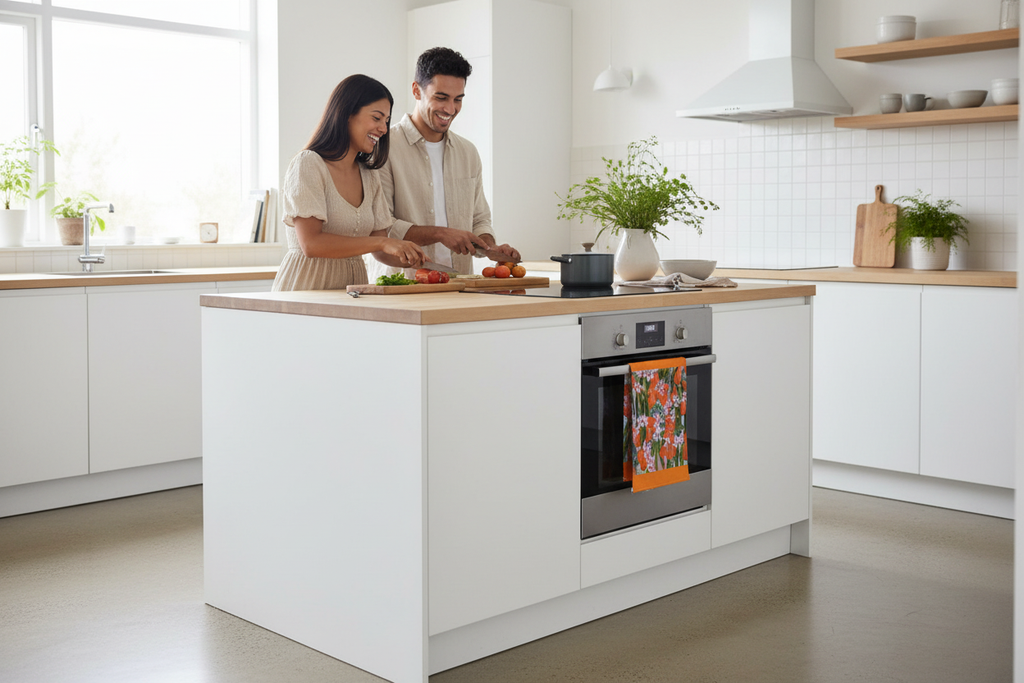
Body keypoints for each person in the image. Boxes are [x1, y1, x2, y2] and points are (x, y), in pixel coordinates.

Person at [373, 47, 520, 279]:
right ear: (416, 90)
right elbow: (380, 227)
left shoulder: (468, 152)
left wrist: (491, 249)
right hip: (403, 287)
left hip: (458, 284)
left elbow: (479, 219)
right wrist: (440, 234)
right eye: (441, 98)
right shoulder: (383, 147)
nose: (450, 109)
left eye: (458, 99)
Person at [272, 74, 427, 292]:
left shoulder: (369, 175)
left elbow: (379, 249)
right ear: (347, 114)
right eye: (377, 118)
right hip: (306, 289)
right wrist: (383, 243)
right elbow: (311, 244)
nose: (383, 129)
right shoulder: (308, 164)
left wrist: (410, 257)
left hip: (351, 290)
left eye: (386, 121)